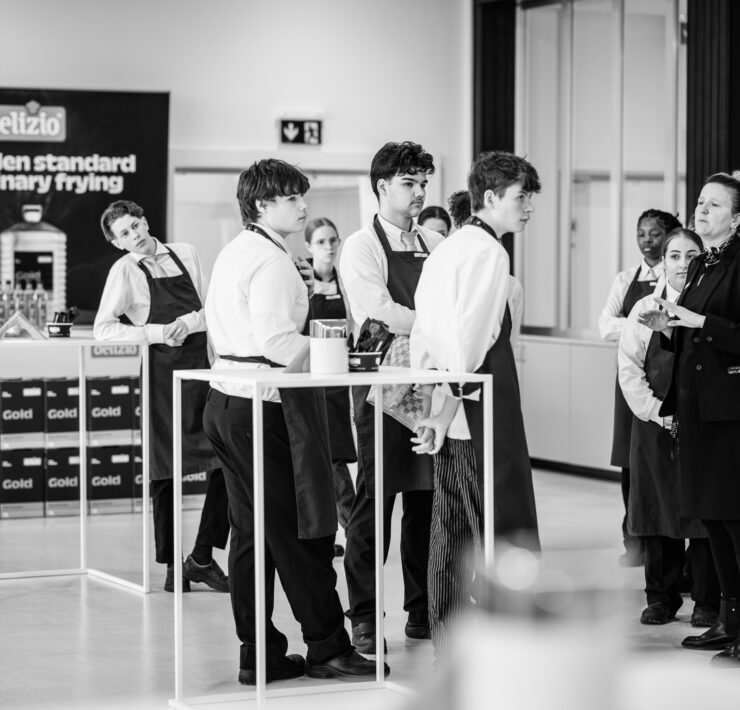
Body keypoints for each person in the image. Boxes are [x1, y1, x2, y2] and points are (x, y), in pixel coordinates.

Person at [202, 159, 379, 684]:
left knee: (251, 535)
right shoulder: (271, 261)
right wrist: (339, 350)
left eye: (303, 197)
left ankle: (259, 653)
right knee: (299, 532)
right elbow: (277, 342)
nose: (303, 207)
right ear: (262, 205)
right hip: (261, 405)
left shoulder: (237, 250)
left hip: (227, 401)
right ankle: (327, 647)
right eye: (292, 198)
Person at [409, 150, 541, 650]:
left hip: (450, 401)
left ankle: (448, 637)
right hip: (479, 402)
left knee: (450, 528)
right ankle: (501, 643)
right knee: (495, 531)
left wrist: (435, 408)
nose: (528, 207)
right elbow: (470, 345)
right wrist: (450, 404)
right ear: (490, 197)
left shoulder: (446, 248)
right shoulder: (489, 253)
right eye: (521, 197)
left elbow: (425, 335)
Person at [338, 140, 443, 653]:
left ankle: (422, 610)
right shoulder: (361, 246)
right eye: (408, 182)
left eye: (424, 182)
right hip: (381, 388)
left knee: (426, 502)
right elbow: (380, 310)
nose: (419, 191)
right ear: (382, 186)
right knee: (373, 506)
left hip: (429, 385)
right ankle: (363, 616)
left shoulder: (433, 241)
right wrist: (436, 327)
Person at [94, 200, 229, 594]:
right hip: (162, 377)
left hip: (203, 371)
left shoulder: (186, 253)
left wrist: (188, 321)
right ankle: (173, 567)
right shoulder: (123, 271)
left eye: (135, 225)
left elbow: (212, 308)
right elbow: (104, 328)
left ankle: (201, 557)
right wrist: (156, 332)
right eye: (124, 233)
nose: (134, 235)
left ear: (145, 221)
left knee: (226, 461)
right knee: (165, 470)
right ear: (117, 243)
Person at [638, 172, 740, 664]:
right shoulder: (702, 264)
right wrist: (668, 326)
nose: (701, 210)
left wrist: (697, 321)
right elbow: (690, 329)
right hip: (697, 407)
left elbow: (727, 331)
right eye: (700, 202)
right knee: (712, 516)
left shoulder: (737, 264)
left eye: (714, 205)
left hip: (730, 411)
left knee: (734, 518)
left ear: (736, 219)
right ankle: (729, 619)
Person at [618, 228, 720, 627]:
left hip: (703, 427)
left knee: (706, 515)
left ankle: (707, 601)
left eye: (691, 256)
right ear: (663, 262)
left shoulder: (712, 307)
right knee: (656, 511)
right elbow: (629, 368)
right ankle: (660, 597)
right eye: (674, 256)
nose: (682, 264)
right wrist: (656, 411)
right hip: (654, 425)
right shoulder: (644, 308)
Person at [599, 209, 682, 567]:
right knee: (630, 461)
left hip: (672, 380)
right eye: (641, 234)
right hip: (632, 380)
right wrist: (641, 324)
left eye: (655, 233)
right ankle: (634, 541)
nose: (647, 241)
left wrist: (632, 323)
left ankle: (673, 544)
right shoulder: (624, 279)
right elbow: (605, 326)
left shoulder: (680, 276)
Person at [303, 216, 357, 557]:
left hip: (337, 381)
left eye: (333, 240)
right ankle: (353, 529)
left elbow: (353, 325)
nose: (329, 247)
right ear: (308, 246)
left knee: (334, 454)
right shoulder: (300, 279)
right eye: (321, 241)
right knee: (320, 458)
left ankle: (336, 533)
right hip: (308, 379)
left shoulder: (345, 281)